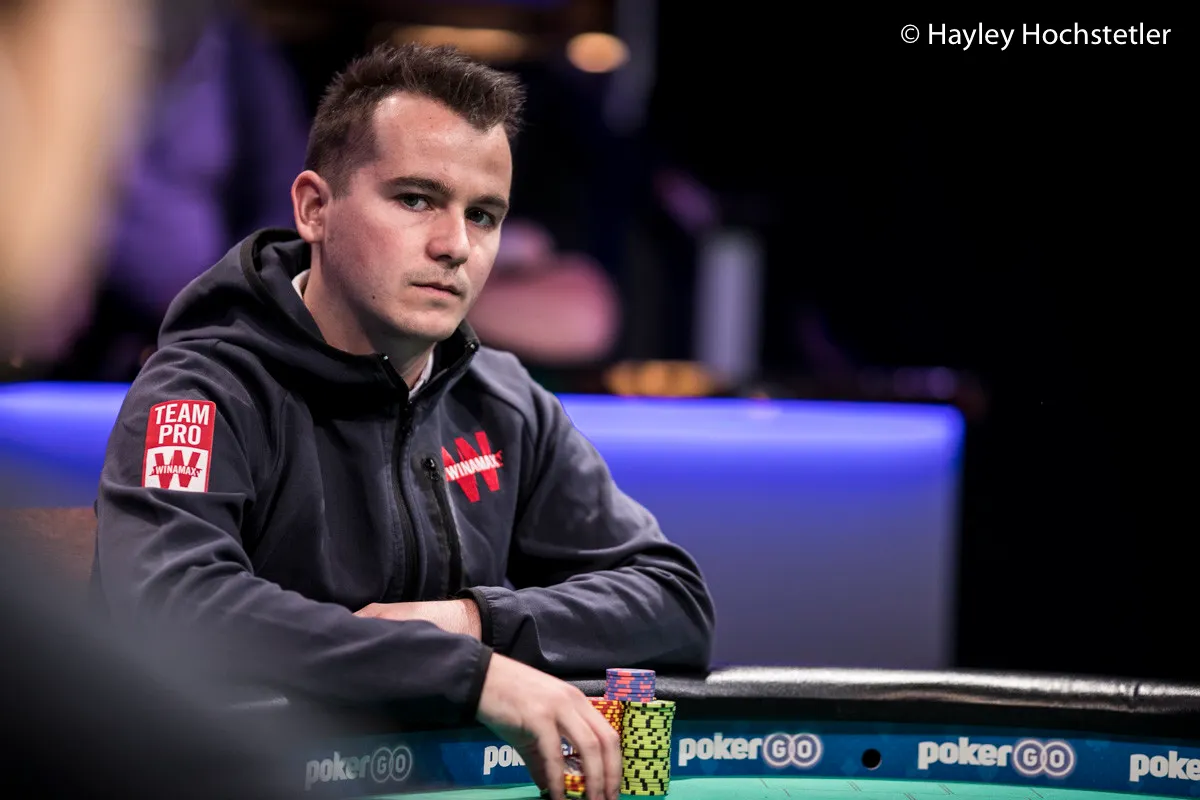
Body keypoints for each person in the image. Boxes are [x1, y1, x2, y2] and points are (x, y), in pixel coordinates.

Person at [91, 42, 715, 800]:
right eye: (417, 199)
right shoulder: (199, 392)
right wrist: (469, 675)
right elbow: (175, 607)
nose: (455, 246)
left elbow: (672, 602)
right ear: (315, 209)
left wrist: (470, 622)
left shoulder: (503, 399)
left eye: (483, 215)